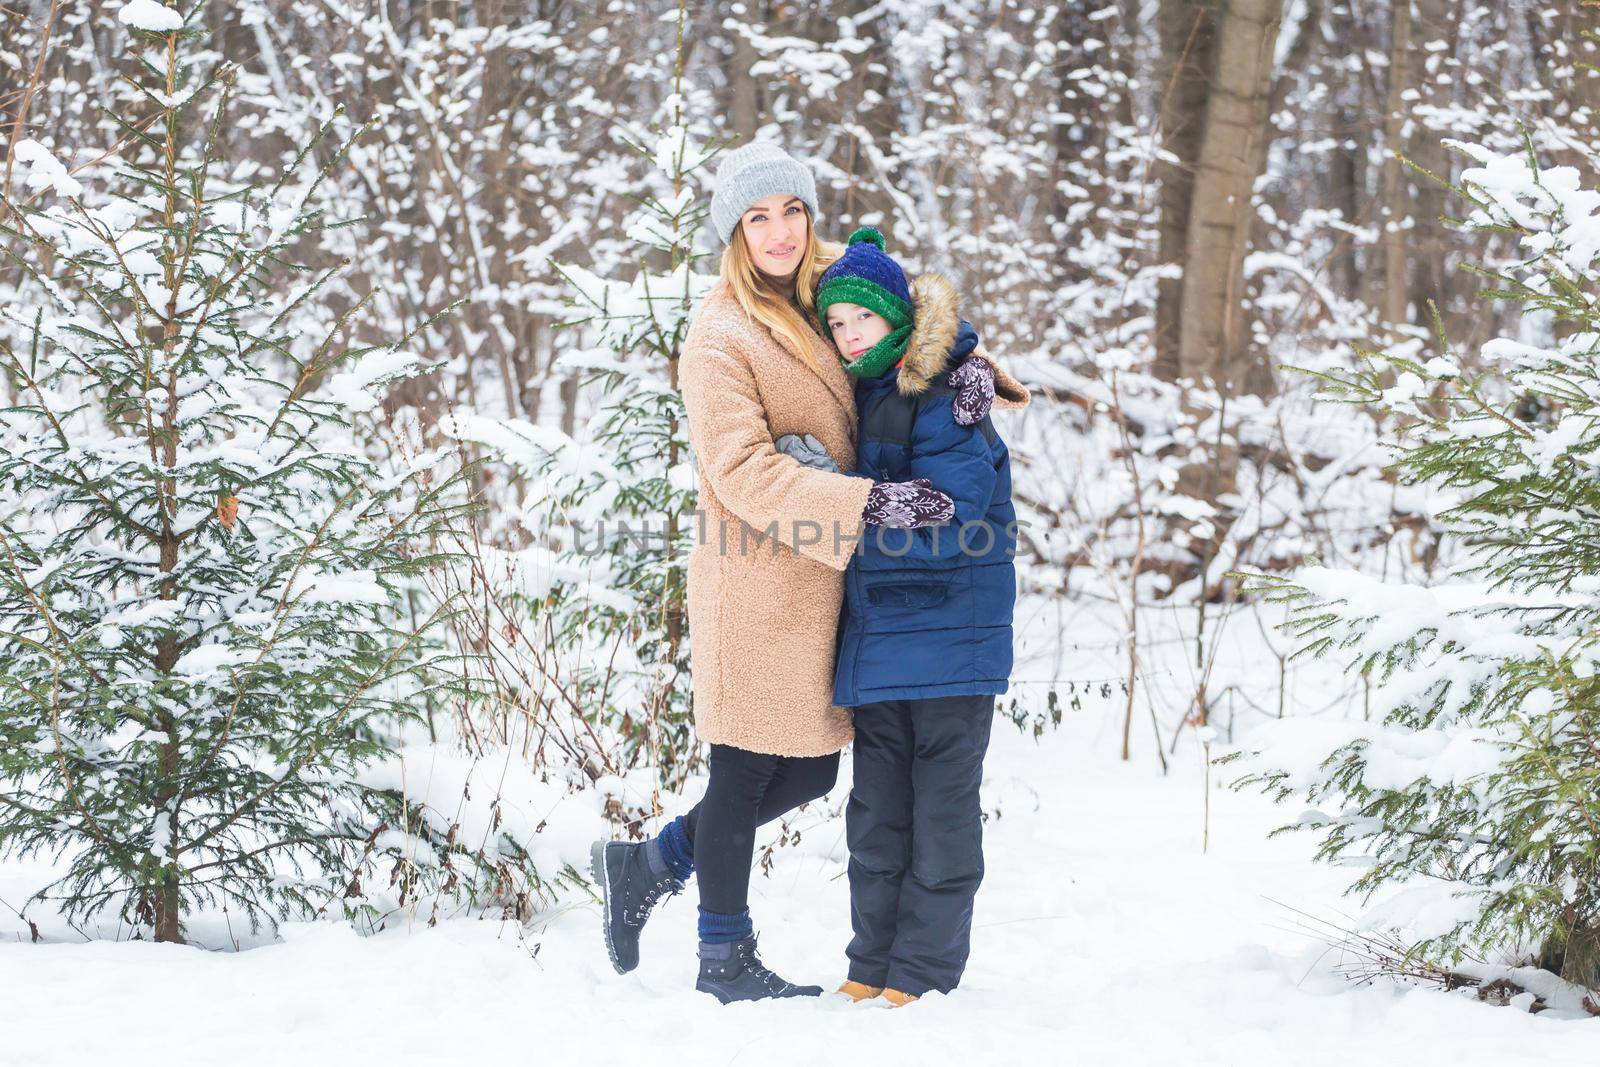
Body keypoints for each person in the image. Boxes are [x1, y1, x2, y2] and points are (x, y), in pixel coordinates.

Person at [588, 142, 1001, 1004]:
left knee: (812, 767)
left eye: (791, 211)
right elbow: (740, 471)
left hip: (838, 582)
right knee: (742, 765)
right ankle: (722, 954)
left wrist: (973, 372)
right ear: (734, 232)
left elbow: (911, 323)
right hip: (761, 579)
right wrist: (869, 506)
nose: (779, 231)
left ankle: (649, 862)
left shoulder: (822, 290)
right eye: (757, 216)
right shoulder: (721, 333)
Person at [815, 226, 1029, 1007]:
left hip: (949, 644)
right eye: (835, 323)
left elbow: (956, 508)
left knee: (940, 814)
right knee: (876, 818)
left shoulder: (943, 396)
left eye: (860, 320)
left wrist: (853, 502)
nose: (847, 336)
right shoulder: (867, 392)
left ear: (897, 319)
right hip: (882, 646)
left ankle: (925, 975)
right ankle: (870, 964)